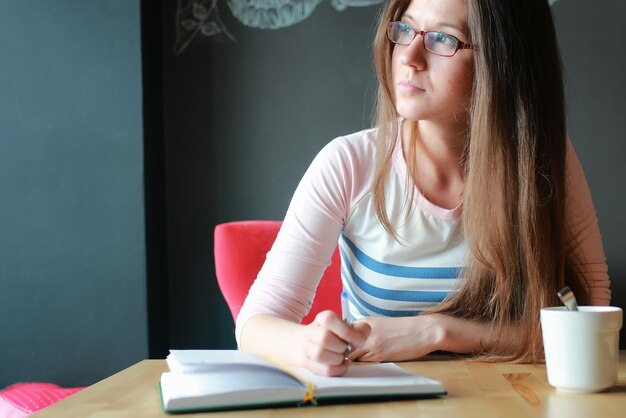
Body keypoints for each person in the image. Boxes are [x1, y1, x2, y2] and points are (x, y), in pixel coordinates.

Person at [235, 0, 611, 376]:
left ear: (502, 61)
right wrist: (307, 344)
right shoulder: (348, 164)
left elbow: (592, 318)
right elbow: (254, 325)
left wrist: (438, 331)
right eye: (405, 29)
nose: (409, 57)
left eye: (443, 39)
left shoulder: (541, 159)